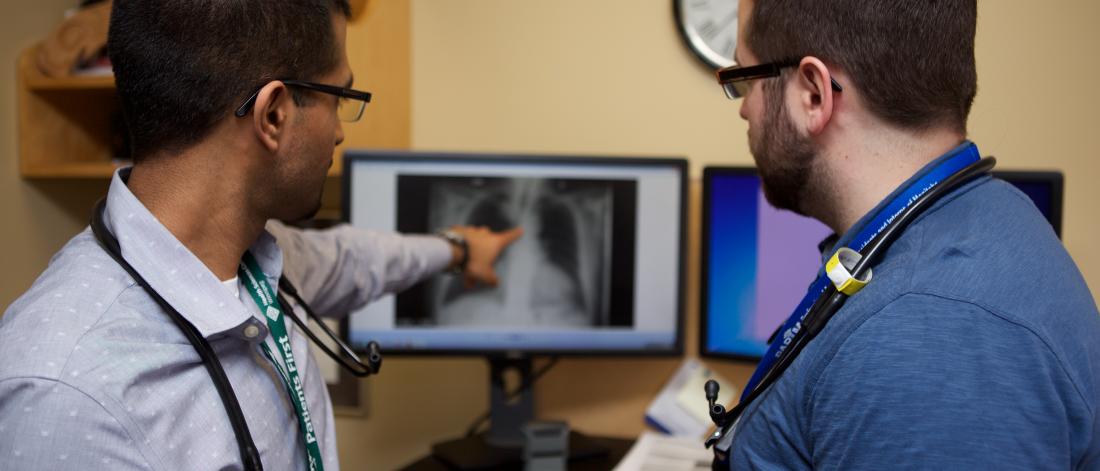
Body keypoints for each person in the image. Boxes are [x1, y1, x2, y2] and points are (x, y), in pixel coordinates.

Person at [0, 1, 521, 469]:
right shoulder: (67, 395)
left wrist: (458, 249)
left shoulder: (255, 258)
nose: (340, 130)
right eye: (338, 97)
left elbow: (355, 258)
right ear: (273, 115)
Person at [716, 0, 1100, 468]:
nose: (745, 111)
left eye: (747, 81)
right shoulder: (975, 218)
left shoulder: (929, 334)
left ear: (814, 93)